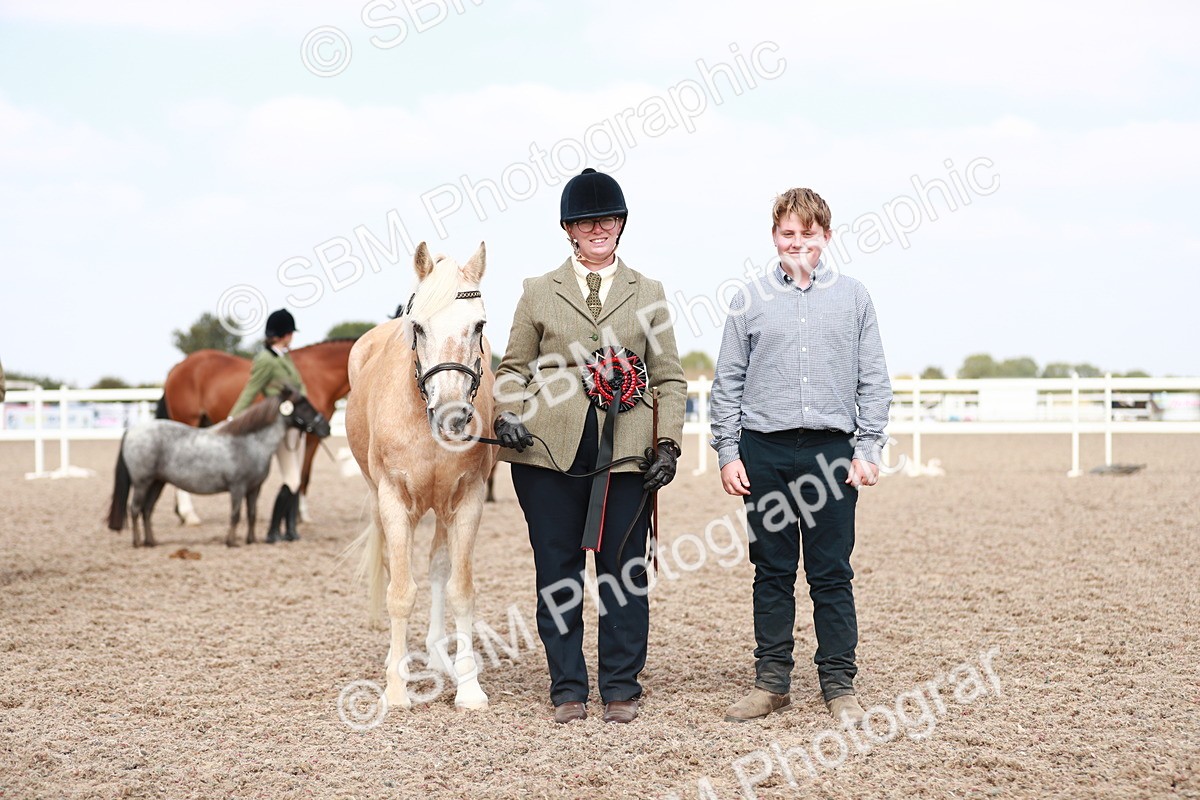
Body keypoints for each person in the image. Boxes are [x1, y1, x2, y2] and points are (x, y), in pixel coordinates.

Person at [493, 168, 687, 724]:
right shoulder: (536, 291)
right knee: (557, 571)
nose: (598, 227)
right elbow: (512, 368)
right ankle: (567, 686)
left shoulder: (647, 292)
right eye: (586, 220)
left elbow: (669, 375)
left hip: (627, 450)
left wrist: (668, 443)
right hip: (546, 451)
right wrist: (507, 412)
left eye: (607, 218)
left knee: (623, 570)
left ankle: (621, 684)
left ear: (621, 224)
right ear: (569, 229)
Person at [710, 187, 892, 726]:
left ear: (826, 237)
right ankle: (772, 682)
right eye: (788, 234)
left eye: (808, 234)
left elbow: (874, 380)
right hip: (763, 451)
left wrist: (868, 448)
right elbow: (728, 384)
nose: (798, 243)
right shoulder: (748, 299)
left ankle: (839, 682)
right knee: (771, 570)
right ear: (774, 237)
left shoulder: (855, 298)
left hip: (831, 454)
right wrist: (727, 452)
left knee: (831, 571)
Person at [231, 308, 308, 544]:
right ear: (284, 334)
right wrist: (232, 419)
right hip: (280, 425)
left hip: (297, 423)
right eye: (290, 333)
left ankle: (290, 529)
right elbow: (251, 390)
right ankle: (273, 530)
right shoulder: (265, 359)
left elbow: (299, 386)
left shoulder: (283, 356)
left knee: (296, 477)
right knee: (292, 478)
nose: (292, 337)